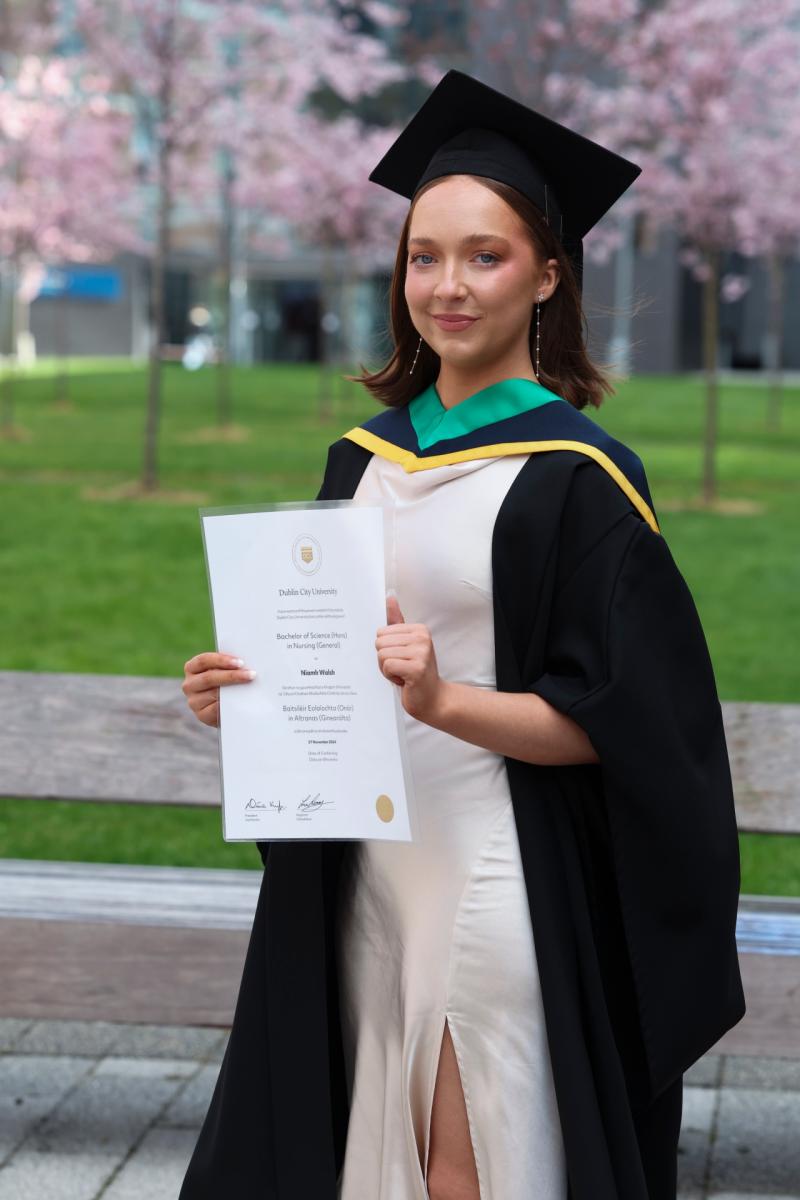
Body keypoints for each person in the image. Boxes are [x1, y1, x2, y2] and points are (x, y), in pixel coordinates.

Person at [179, 69, 745, 1200]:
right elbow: (328, 657)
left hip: (497, 863)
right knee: (363, 1152)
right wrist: (241, 692)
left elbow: (623, 729)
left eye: (483, 256)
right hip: (363, 865)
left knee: (462, 1161)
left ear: (544, 275)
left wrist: (443, 703)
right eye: (422, 255)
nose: (446, 285)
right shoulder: (364, 457)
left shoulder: (578, 480)